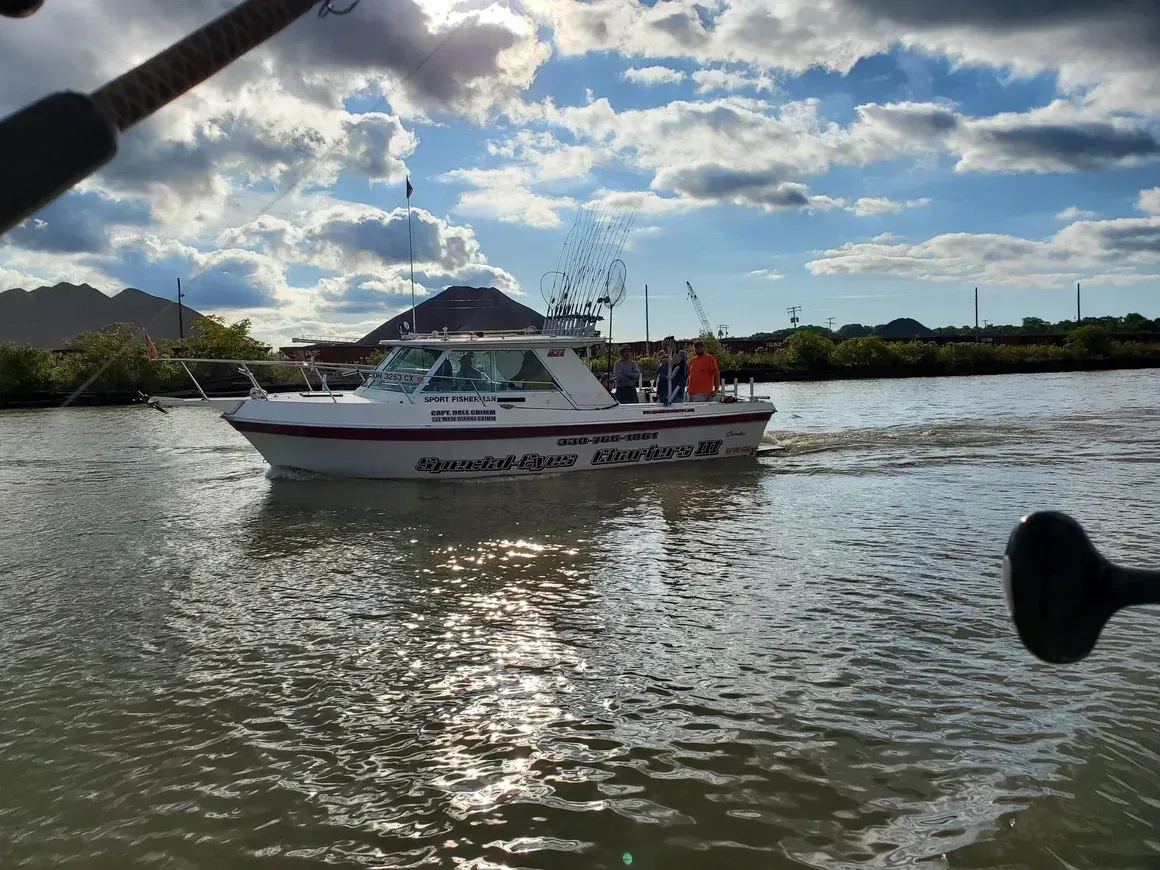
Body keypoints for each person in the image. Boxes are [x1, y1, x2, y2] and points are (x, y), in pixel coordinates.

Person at [663, 336, 687, 403]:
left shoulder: (681, 353)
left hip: (676, 393)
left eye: (666, 345)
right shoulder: (664, 357)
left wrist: (668, 361)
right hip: (665, 393)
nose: (664, 347)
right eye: (662, 345)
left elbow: (677, 361)